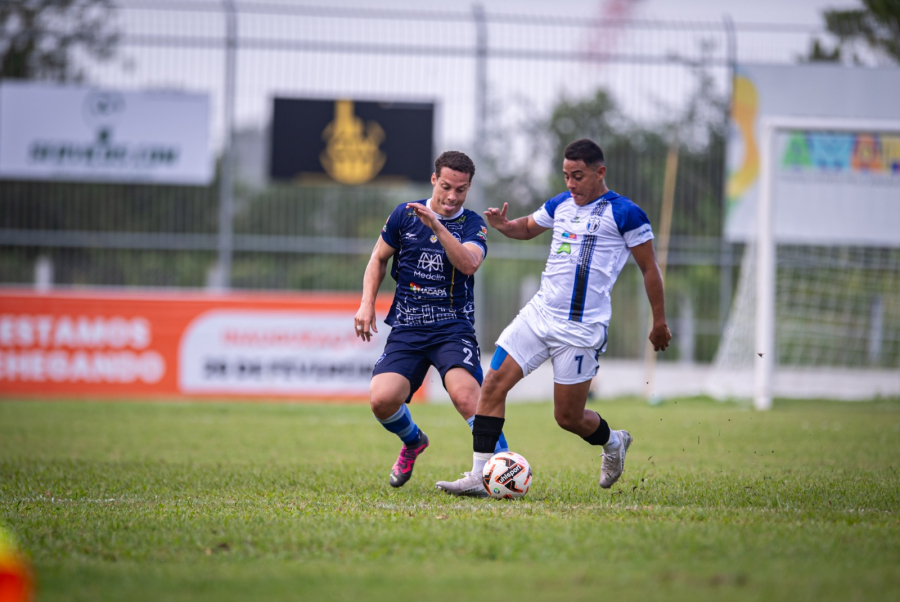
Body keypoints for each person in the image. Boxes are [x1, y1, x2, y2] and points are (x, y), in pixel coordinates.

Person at [436, 138, 671, 496]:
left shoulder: (626, 213)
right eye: (565, 176)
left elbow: (649, 269)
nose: (570, 184)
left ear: (600, 172)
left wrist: (659, 322)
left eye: (578, 176)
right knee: (493, 385)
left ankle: (614, 443)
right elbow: (527, 228)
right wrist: (503, 225)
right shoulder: (561, 203)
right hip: (538, 316)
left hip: (581, 330)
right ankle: (479, 475)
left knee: (568, 418)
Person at [355, 150, 508, 492]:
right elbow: (378, 259)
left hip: (452, 328)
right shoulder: (404, 215)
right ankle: (413, 441)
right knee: (381, 400)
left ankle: (500, 473)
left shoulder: (471, 223)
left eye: (462, 189)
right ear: (434, 180)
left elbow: (469, 264)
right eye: (447, 187)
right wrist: (367, 303)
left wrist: (438, 225)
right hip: (408, 327)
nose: (453, 196)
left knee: (468, 396)